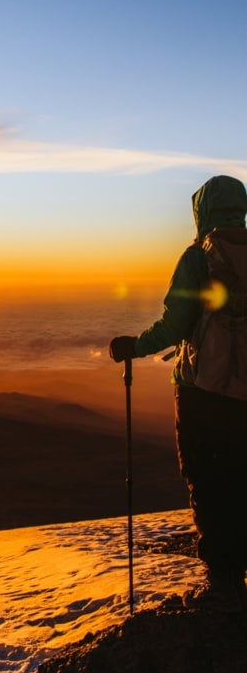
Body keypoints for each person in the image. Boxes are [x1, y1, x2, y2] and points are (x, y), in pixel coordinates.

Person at [109, 174, 247, 612]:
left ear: (202, 210)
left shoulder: (199, 259)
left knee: (208, 480)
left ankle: (224, 584)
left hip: (203, 395)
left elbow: (175, 325)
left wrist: (134, 347)